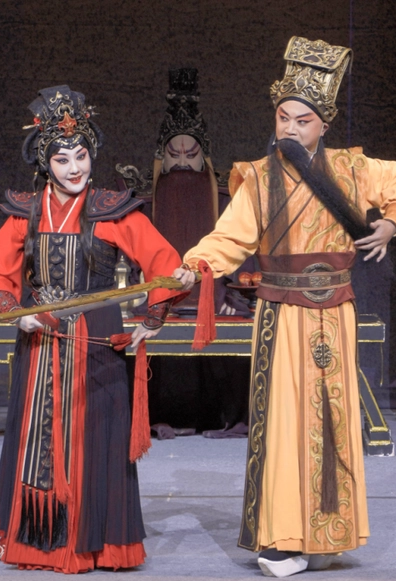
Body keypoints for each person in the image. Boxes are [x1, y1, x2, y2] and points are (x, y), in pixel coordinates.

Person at [174, 36, 396, 577]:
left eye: (302, 120)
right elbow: (227, 238)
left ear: (323, 123)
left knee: (332, 419)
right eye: (283, 117)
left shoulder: (353, 171)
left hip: (335, 312)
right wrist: (195, 264)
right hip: (282, 315)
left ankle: (327, 533)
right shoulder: (259, 179)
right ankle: (284, 538)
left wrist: (390, 221)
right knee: (283, 423)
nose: (289, 128)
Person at [0, 86, 186, 573]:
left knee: (94, 441)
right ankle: (31, 540)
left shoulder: (112, 210)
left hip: (96, 342)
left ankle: (96, 543)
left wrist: (151, 319)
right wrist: (15, 310)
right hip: (39, 341)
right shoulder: (25, 212)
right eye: (62, 158)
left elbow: (165, 265)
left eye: (82, 155)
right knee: (36, 442)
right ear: (44, 163)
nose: (75, 168)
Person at [143, 68, 252, 438]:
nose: (184, 162)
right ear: (162, 156)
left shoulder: (224, 200)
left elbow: (238, 247)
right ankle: (163, 416)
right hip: (160, 296)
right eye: (175, 153)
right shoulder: (146, 205)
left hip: (214, 296)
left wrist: (230, 298)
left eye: (192, 153)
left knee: (234, 325)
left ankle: (224, 417)